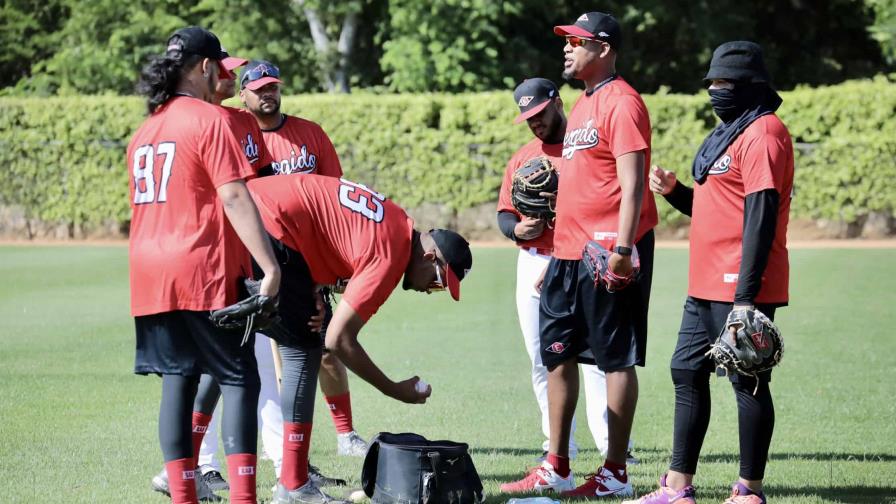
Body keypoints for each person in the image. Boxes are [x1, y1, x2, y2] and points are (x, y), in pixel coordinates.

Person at [623, 41, 793, 504]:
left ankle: (749, 491)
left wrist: (745, 298)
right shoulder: (730, 133)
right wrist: (677, 191)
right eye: (711, 83)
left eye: (725, 84)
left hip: (739, 283)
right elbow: (716, 208)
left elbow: (760, 214)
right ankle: (678, 488)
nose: (715, 91)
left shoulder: (764, 133)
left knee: (747, 377)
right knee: (685, 370)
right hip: (704, 281)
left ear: (751, 86)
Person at [501, 12, 656, 498]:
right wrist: (558, 260)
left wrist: (625, 250)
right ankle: (558, 464)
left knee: (612, 359)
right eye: (566, 41)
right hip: (568, 255)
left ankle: (615, 473)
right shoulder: (587, 105)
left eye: (577, 41)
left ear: (604, 48)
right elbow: (579, 187)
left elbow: (632, 183)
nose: (567, 48)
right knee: (557, 355)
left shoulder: (623, 102)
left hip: (609, 249)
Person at [244, 173, 473, 504]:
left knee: (229, 349)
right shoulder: (392, 253)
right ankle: (292, 486)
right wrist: (395, 389)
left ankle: (185, 471)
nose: (430, 291)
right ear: (429, 257)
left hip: (255, 210)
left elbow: (327, 227)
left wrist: (315, 286)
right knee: (304, 348)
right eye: (438, 282)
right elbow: (339, 339)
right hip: (267, 222)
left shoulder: (397, 222)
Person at [129, 26, 280, 504]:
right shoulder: (209, 119)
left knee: (178, 380)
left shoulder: (147, 127)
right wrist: (269, 266)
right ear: (203, 68)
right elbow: (234, 195)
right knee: (239, 377)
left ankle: (182, 497)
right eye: (219, 64)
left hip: (149, 274)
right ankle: (242, 499)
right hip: (202, 268)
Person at [495, 78, 633, 471]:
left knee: (592, 361)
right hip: (533, 261)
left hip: (579, 260)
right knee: (543, 359)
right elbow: (505, 212)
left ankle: (613, 446)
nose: (534, 123)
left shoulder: (582, 150)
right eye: (527, 118)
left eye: (538, 114)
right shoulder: (522, 156)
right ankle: (558, 447)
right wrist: (514, 230)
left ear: (557, 102)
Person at [239, 60, 368, 457]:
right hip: (262, 258)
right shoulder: (241, 139)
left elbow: (337, 195)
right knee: (267, 356)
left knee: (324, 350)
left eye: (272, 86)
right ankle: (281, 445)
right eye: (259, 87)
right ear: (242, 95)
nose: (267, 93)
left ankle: (345, 435)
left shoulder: (309, 134)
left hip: (311, 259)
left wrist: (338, 263)